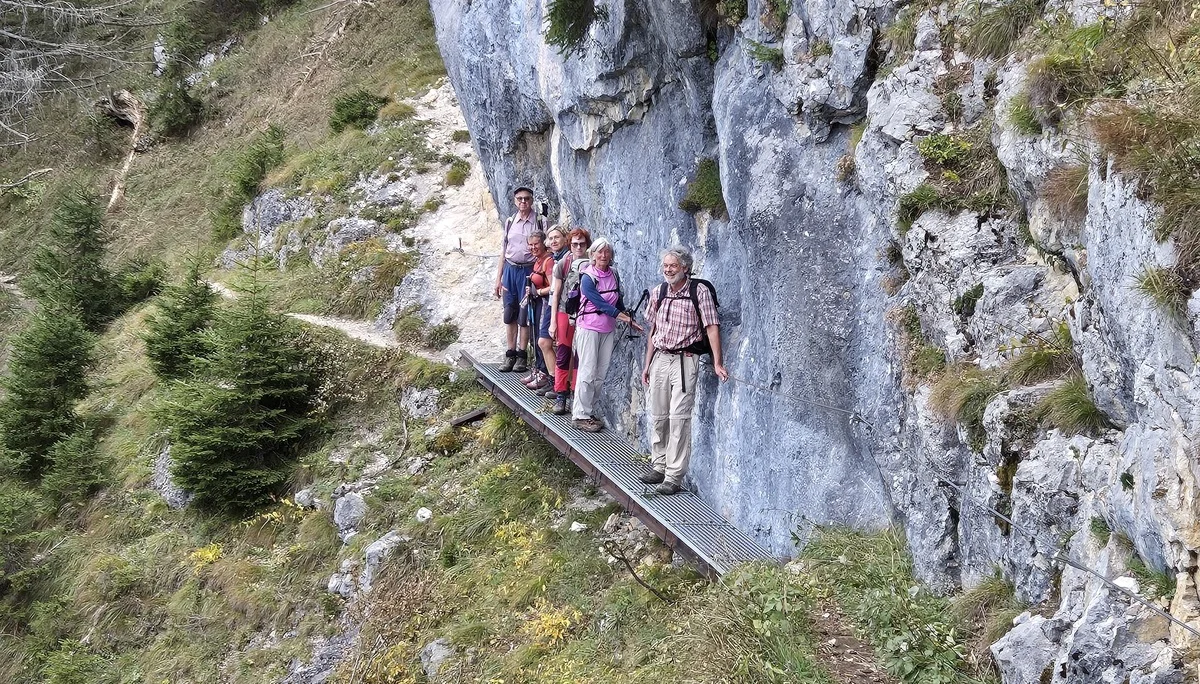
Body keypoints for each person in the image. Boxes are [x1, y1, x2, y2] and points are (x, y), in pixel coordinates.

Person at [639, 247, 728, 495]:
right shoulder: (659, 292)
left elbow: (711, 327)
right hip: (661, 358)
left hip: (685, 359)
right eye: (666, 266)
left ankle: (673, 475)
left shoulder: (698, 292)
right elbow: (652, 332)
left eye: (673, 266)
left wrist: (717, 362)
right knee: (658, 414)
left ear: (685, 268)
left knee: (679, 417)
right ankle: (658, 465)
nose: (668, 270)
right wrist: (647, 364)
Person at [571, 238, 642, 432]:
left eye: (606, 252)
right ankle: (580, 415)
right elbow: (600, 304)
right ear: (592, 255)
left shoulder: (613, 275)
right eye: (599, 252)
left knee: (600, 372)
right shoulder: (588, 277)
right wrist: (624, 318)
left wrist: (628, 318)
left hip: (607, 328)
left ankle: (589, 411)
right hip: (588, 327)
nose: (603, 256)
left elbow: (616, 300)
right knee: (587, 371)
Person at [494, 187, 545, 373]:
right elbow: (503, 251)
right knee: (509, 313)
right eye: (519, 199)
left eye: (527, 199)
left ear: (531, 201)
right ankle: (510, 354)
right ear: (515, 201)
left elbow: (545, 250)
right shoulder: (509, 222)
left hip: (528, 271)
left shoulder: (540, 222)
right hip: (510, 269)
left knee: (524, 314)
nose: (523, 202)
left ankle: (522, 356)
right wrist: (498, 279)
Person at [548, 228, 591, 414]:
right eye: (575, 244)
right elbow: (555, 294)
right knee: (564, 353)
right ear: (569, 244)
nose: (578, 247)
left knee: (580, 355)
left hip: (585, 314)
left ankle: (575, 393)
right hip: (564, 312)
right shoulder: (563, 264)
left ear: (587, 244)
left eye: (582, 243)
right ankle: (561, 394)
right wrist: (552, 322)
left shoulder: (593, 264)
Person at [519, 230, 554, 390]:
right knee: (535, 337)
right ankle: (538, 370)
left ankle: (544, 373)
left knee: (541, 337)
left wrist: (537, 292)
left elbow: (553, 287)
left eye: (536, 244)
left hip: (545, 303)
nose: (533, 247)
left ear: (543, 243)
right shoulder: (538, 261)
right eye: (530, 245)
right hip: (537, 302)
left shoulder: (548, 261)